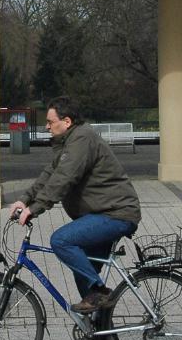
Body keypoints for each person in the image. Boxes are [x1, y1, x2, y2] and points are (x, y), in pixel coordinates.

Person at [8, 96, 141, 317]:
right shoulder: (69, 142)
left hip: (116, 214)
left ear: (67, 121)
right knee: (84, 273)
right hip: (102, 213)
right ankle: (101, 335)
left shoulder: (82, 139)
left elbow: (64, 178)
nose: (47, 126)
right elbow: (50, 174)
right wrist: (25, 199)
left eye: (50, 122)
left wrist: (36, 208)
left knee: (61, 240)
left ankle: (99, 293)